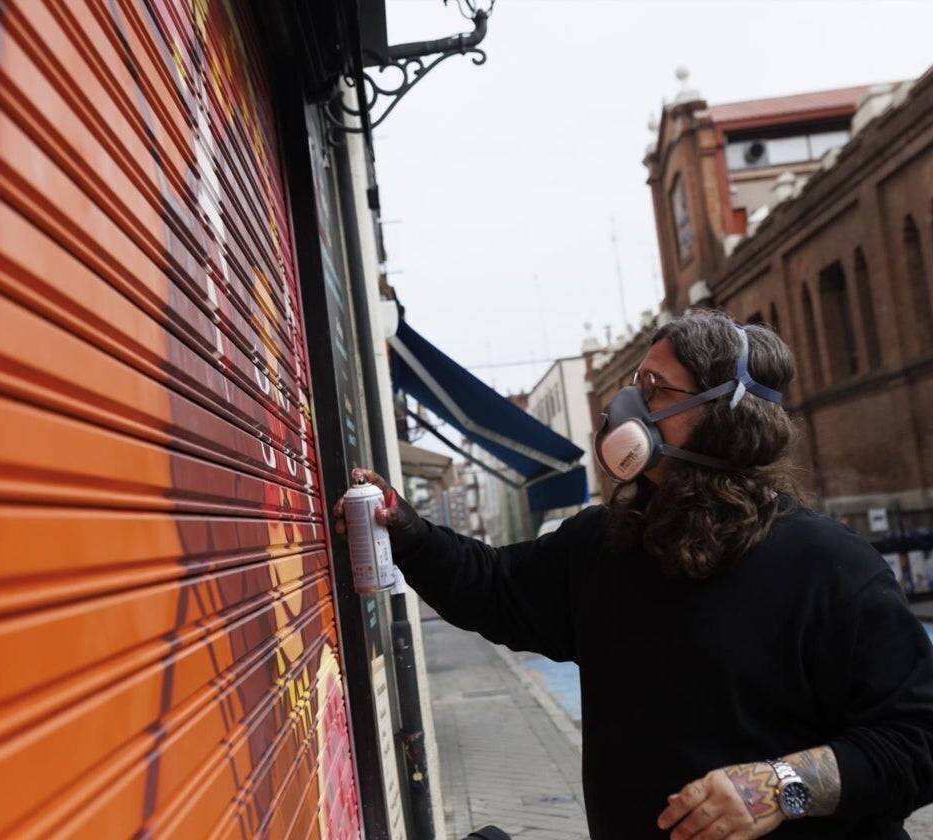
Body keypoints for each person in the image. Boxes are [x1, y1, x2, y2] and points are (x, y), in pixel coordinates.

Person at [334, 310, 933, 839]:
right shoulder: (607, 543)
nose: (625, 406)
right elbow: (493, 587)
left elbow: (919, 738)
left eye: (654, 387)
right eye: (634, 383)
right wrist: (408, 532)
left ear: (724, 415)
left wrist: (780, 787)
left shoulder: (828, 564)